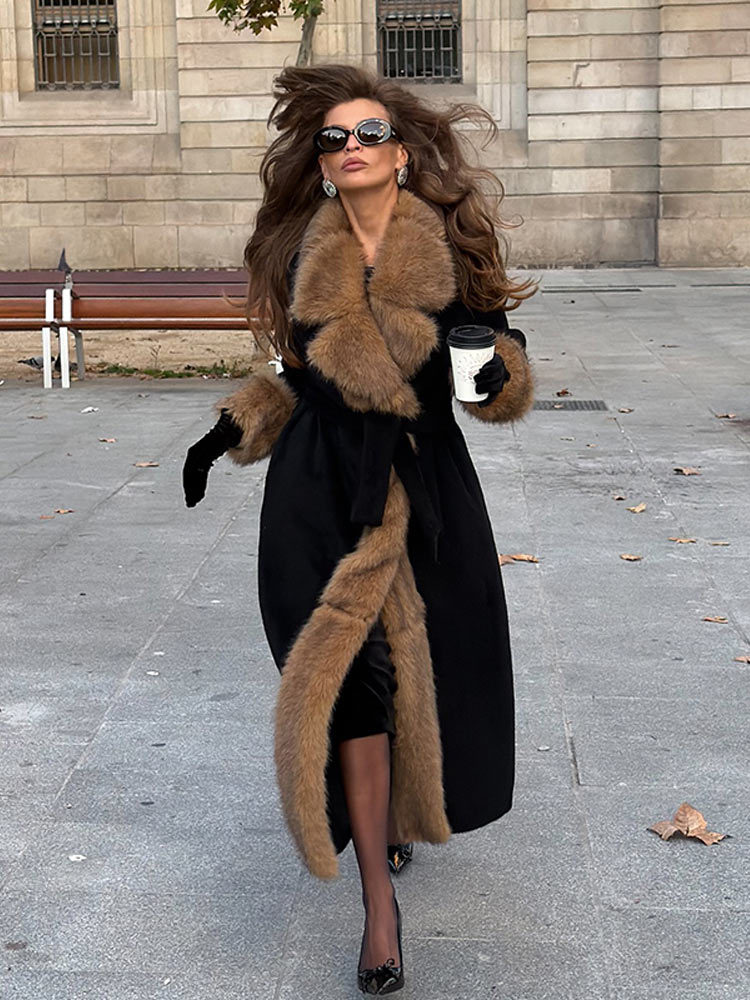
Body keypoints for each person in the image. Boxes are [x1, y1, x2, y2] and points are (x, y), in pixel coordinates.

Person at [182, 63, 536, 996]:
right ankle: (380, 905)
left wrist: (493, 374)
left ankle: (397, 821)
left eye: (369, 133)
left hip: (423, 484)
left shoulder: (449, 250)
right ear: (321, 163)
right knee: (352, 687)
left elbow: (498, 367)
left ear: (403, 153)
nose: (350, 148)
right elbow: (296, 376)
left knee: (423, 668)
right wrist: (232, 428)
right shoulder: (302, 253)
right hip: (317, 492)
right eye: (333, 139)